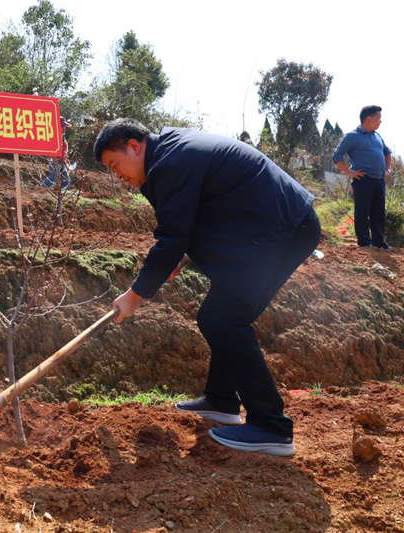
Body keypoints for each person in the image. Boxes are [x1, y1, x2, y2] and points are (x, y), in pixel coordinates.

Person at [95, 118, 320, 457]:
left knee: (222, 318)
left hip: (281, 228)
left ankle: (272, 426)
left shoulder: (170, 163)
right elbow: (194, 218)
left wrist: (134, 295)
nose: (118, 176)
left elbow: (172, 238)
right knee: (222, 316)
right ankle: (221, 401)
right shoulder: (169, 154)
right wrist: (182, 257)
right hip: (271, 228)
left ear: (133, 146)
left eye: (115, 165)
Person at [332, 105, 393, 249]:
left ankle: (379, 242)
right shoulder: (352, 136)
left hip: (379, 179)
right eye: (378, 118)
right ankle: (365, 242)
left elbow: (387, 152)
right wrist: (348, 172)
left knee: (378, 212)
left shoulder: (377, 136)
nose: (380, 121)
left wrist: (387, 169)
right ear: (369, 119)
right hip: (363, 179)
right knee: (362, 211)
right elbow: (337, 155)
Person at [41, 116, 72, 190]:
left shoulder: (61, 136)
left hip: (61, 161)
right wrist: (61, 156)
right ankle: (41, 188)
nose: (64, 128)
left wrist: (65, 156)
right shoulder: (55, 136)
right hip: (56, 160)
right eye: (62, 126)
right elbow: (53, 150)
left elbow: (64, 147)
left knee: (67, 180)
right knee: (52, 177)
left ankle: (58, 190)